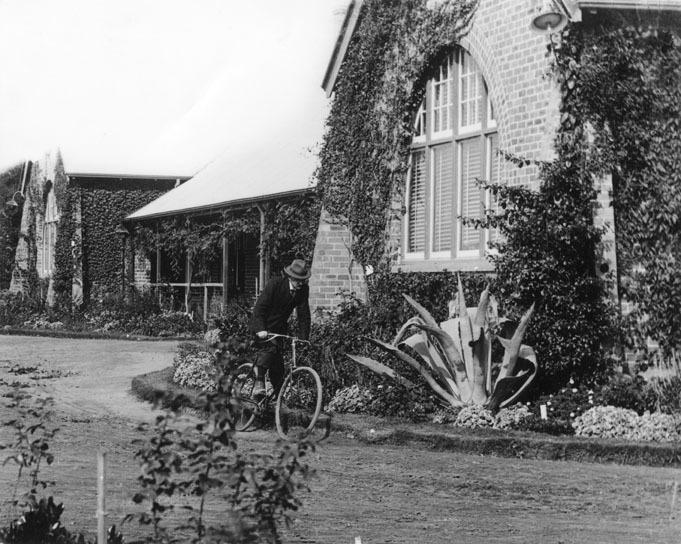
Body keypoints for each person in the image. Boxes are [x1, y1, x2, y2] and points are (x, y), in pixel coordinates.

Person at [249, 258, 311, 398]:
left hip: (278, 330)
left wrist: (303, 338)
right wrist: (260, 329)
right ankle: (259, 382)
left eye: (303, 280)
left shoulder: (302, 290)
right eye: (297, 280)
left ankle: (278, 400)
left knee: (278, 366)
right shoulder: (275, 284)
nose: (300, 284)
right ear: (290, 277)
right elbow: (259, 309)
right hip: (262, 326)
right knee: (270, 349)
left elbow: (304, 315)